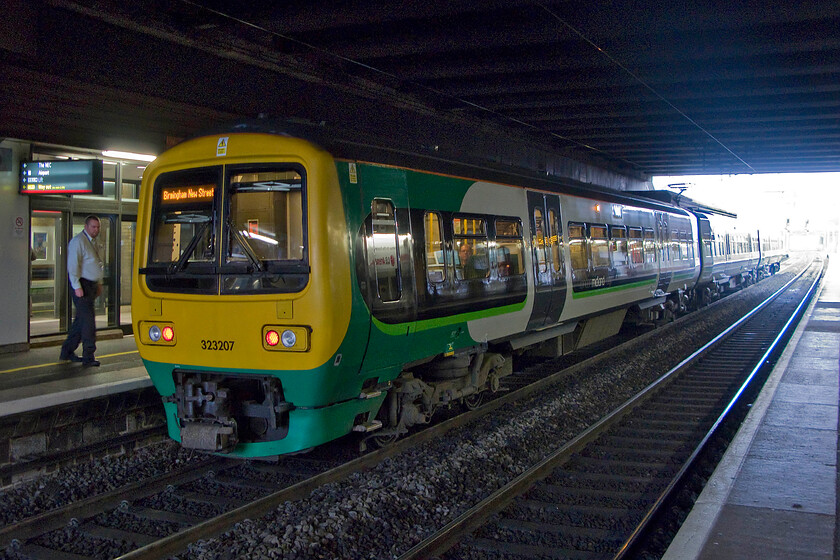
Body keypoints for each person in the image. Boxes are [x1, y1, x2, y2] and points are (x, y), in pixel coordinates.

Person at [60, 215, 104, 367]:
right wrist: (77, 286)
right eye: (93, 227)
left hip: (90, 285)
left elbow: (96, 263)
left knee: (80, 322)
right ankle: (88, 356)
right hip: (82, 285)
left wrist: (98, 282)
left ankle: (66, 351)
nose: (96, 230)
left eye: (98, 227)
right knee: (88, 323)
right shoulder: (78, 242)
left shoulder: (94, 242)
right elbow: (73, 266)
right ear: (86, 226)